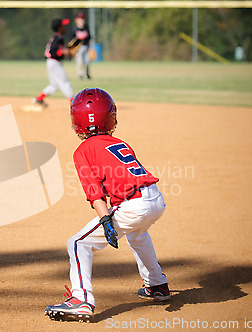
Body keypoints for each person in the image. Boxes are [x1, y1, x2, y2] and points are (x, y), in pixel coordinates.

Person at [44, 88, 170, 323]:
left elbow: (95, 193)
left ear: (75, 121)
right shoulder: (119, 143)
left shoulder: (83, 150)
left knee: (78, 243)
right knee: (138, 235)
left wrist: (105, 220)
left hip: (133, 206)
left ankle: (81, 299)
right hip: (154, 199)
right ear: (111, 117)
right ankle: (156, 284)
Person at [33, 18, 75, 109]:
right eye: (63, 26)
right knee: (65, 83)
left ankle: (39, 99)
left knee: (55, 85)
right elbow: (52, 51)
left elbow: (59, 51)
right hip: (54, 62)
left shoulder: (58, 38)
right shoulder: (57, 38)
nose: (65, 28)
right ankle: (74, 104)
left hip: (52, 63)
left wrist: (67, 52)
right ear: (59, 28)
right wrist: (63, 52)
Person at [71, 12, 92, 80]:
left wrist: (90, 46)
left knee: (87, 61)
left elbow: (89, 37)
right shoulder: (75, 29)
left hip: (86, 47)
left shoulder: (86, 27)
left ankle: (87, 74)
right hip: (78, 48)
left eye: (83, 19)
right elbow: (72, 40)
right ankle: (80, 74)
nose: (82, 20)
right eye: (80, 19)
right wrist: (73, 50)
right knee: (80, 61)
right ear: (76, 20)